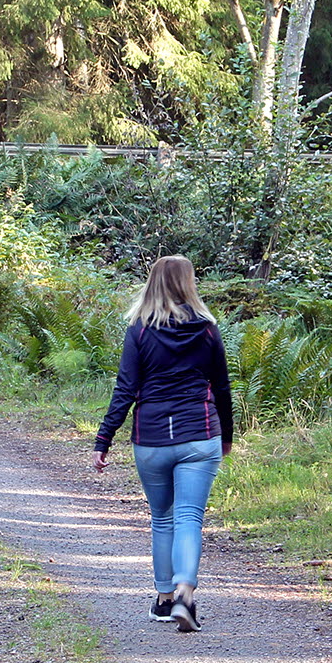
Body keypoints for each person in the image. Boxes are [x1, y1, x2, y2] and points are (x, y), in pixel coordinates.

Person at [93, 255, 233, 632]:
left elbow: (125, 390)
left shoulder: (138, 331)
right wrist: (227, 438)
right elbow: (221, 387)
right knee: (190, 516)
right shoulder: (207, 329)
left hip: (152, 437)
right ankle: (185, 591)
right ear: (188, 284)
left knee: (163, 518)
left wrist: (103, 439)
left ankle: (163, 600)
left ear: (152, 282)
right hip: (200, 434)